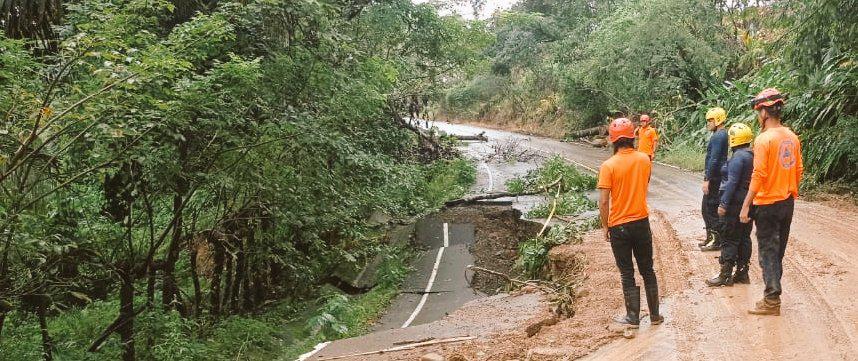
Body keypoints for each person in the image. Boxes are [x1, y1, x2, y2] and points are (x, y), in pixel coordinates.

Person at [740, 88, 803, 316]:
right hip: (787, 202)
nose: (758, 116)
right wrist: (789, 189)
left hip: (766, 204)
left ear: (765, 112)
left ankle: (771, 300)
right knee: (778, 251)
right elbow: (798, 170)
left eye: (759, 111)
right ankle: (772, 294)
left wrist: (747, 204)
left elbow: (759, 175)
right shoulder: (792, 137)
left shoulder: (764, 139)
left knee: (768, 250)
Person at [598, 117, 664, 329]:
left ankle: (633, 317)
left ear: (613, 140)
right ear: (632, 137)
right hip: (641, 222)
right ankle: (655, 315)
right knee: (648, 269)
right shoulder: (644, 159)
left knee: (627, 272)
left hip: (619, 226)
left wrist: (605, 226)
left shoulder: (608, 166)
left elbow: (604, 201)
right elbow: (644, 183)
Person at [706, 123, 754, 287]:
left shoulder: (738, 157)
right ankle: (742, 272)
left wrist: (723, 204)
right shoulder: (752, 155)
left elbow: (731, 183)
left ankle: (725, 275)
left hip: (734, 203)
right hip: (748, 202)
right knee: (744, 238)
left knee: (729, 238)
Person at [700, 107, 729, 251]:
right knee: (706, 208)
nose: (708, 124)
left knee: (710, 208)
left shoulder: (719, 136)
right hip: (717, 176)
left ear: (717, 120)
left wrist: (707, 179)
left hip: (715, 177)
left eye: (710, 120)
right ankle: (711, 238)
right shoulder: (720, 134)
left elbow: (714, 159)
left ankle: (716, 240)